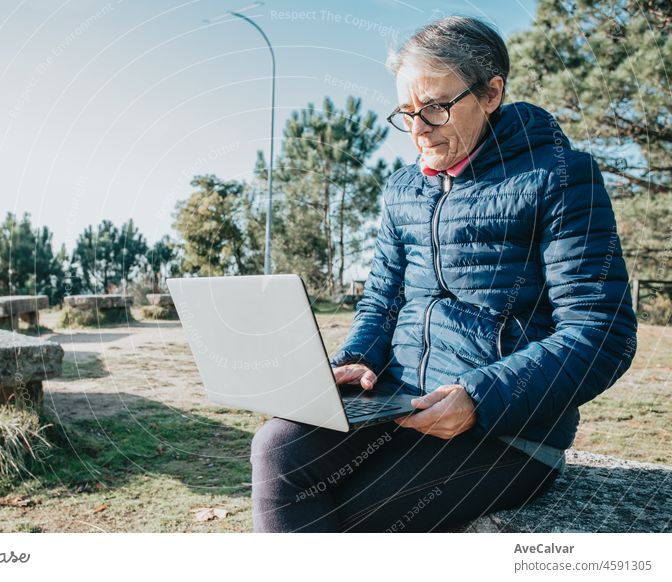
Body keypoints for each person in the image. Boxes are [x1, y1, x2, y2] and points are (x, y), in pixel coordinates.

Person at [250, 15, 638, 533]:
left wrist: (480, 397)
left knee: (350, 512)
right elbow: (383, 302)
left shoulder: (562, 178)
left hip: (507, 427)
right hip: (399, 399)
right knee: (277, 448)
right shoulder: (403, 189)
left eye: (434, 108)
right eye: (406, 112)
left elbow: (602, 331)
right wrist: (359, 358)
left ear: (491, 92)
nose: (417, 130)